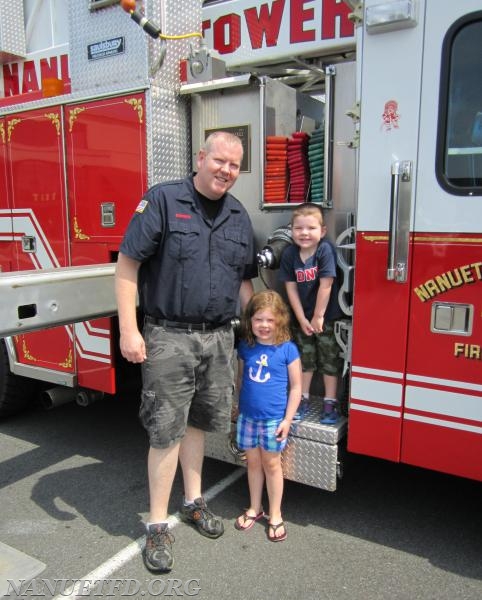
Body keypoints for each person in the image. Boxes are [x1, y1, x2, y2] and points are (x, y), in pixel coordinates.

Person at [115, 131, 257, 573]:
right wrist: (128, 330)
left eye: (234, 165)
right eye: (219, 160)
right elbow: (127, 264)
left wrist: (256, 334)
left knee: (199, 425)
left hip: (219, 339)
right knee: (166, 431)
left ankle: (193, 502)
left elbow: (245, 283)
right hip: (169, 336)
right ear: (201, 157)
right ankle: (158, 524)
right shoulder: (162, 200)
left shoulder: (238, 215)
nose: (226, 171)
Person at [234, 290, 302, 542]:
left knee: (272, 465)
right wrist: (237, 405)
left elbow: (296, 388)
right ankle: (254, 508)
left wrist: (287, 420)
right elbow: (240, 379)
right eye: (258, 319)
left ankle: (275, 513)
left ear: (280, 321)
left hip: (273, 420)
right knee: (252, 463)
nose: (264, 325)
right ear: (250, 321)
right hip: (248, 418)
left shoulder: (287, 350)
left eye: (270, 320)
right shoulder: (246, 347)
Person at [279, 203, 343, 424]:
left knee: (329, 359)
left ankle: (330, 402)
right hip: (302, 319)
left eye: (311, 228)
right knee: (304, 359)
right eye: (298, 228)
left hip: (325, 318)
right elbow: (291, 288)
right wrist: (301, 319)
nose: (304, 233)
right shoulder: (289, 254)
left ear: (322, 231)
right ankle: (302, 398)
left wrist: (318, 317)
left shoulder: (325, 250)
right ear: (291, 230)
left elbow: (326, 285)